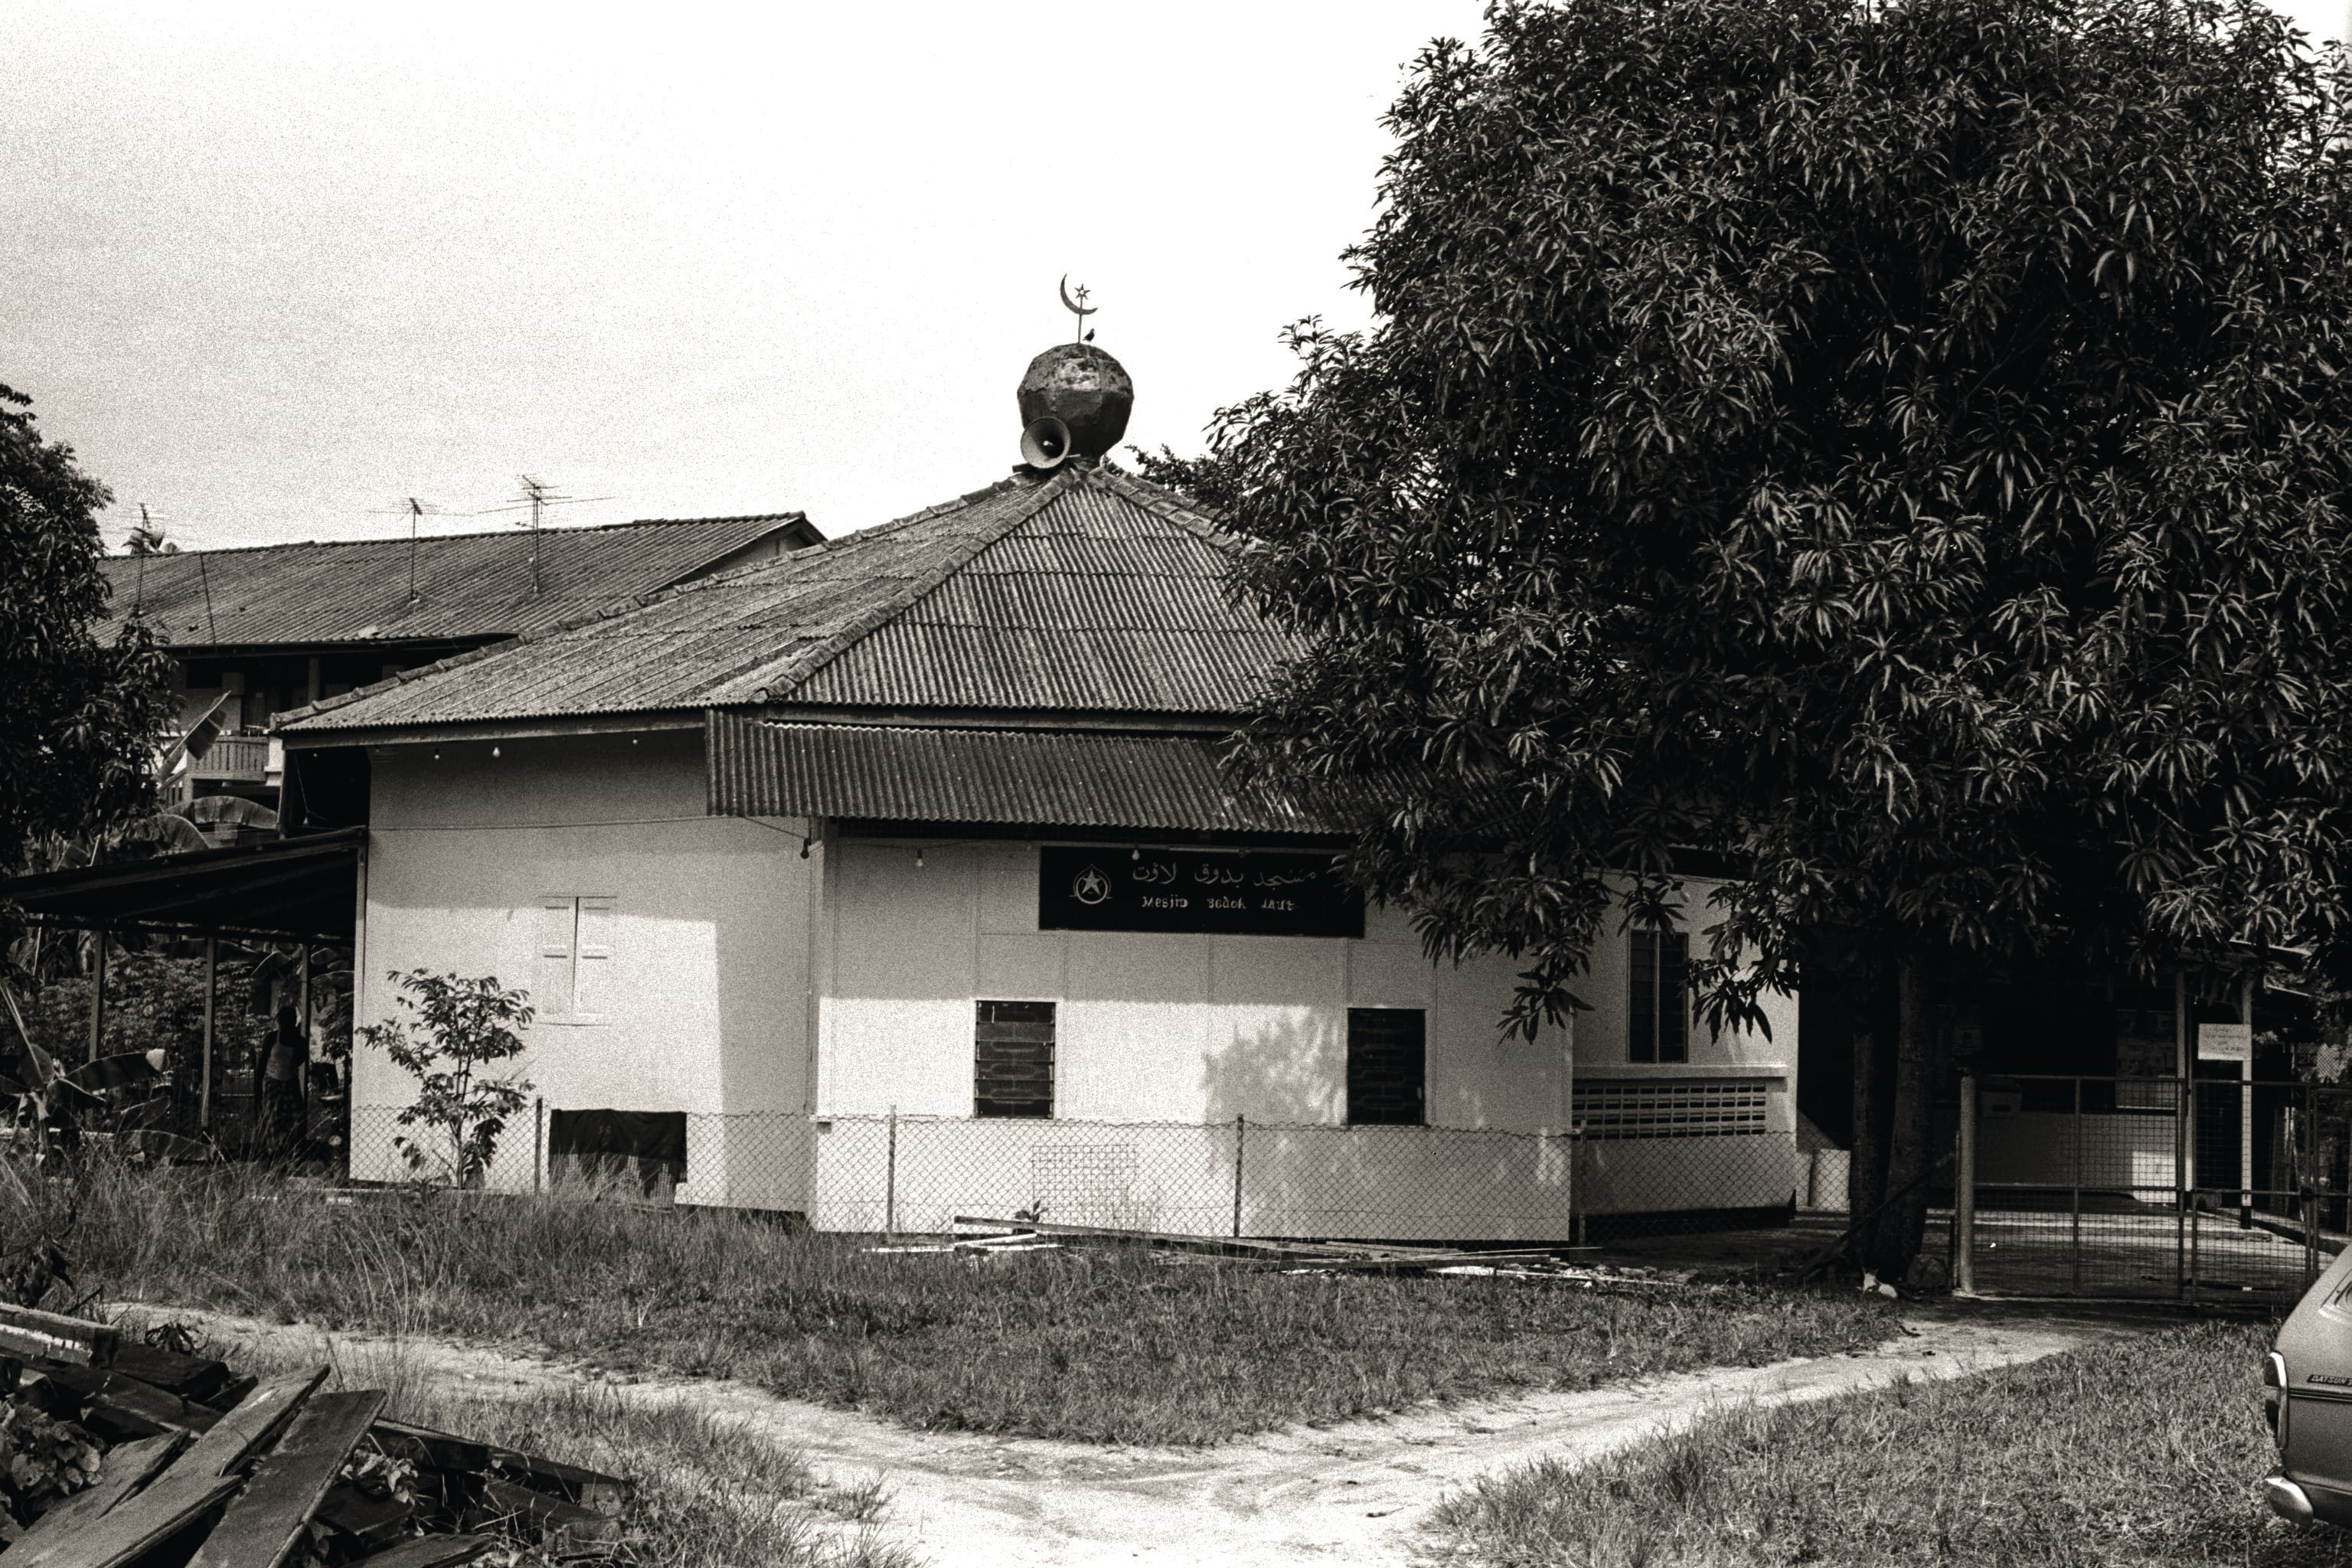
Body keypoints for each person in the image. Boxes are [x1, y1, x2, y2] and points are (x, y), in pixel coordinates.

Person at [263, 1004, 305, 1157]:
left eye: (288, 1020)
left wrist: (295, 1038)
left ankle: (292, 1153)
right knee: (273, 1121)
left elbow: (297, 1062)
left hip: (290, 1084)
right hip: (272, 1083)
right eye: (282, 1021)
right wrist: (258, 1091)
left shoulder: (300, 1041)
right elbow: (261, 1064)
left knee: (295, 1119)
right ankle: (274, 1154)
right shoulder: (272, 1038)